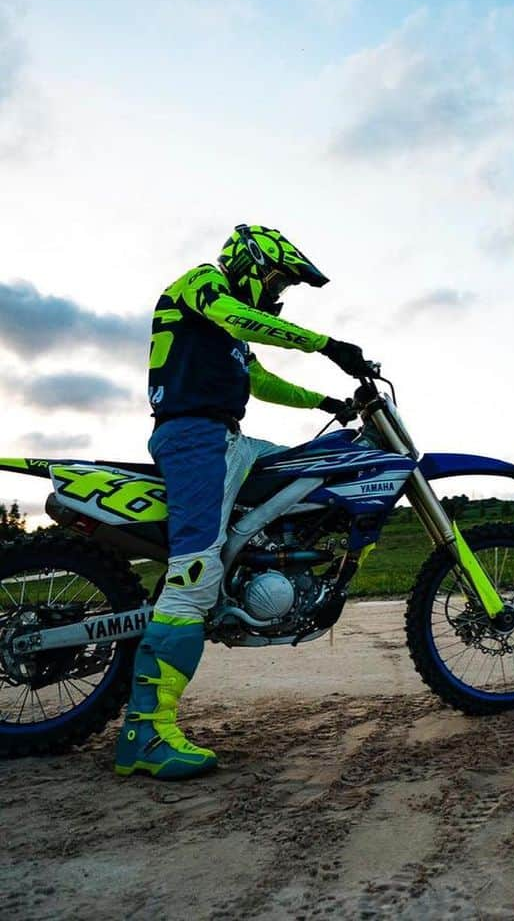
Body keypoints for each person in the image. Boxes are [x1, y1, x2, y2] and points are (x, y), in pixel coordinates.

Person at [115, 224, 367, 780]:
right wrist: (327, 346)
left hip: (229, 439)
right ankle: (145, 733)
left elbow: (262, 382)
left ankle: (268, 577)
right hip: (194, 438)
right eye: (277, 280)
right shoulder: (203, 285)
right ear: (249, 264)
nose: (278, 295)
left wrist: (328, 401)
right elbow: (239, 316)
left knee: (313, 476)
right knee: (194, 577)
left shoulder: (228, 331)